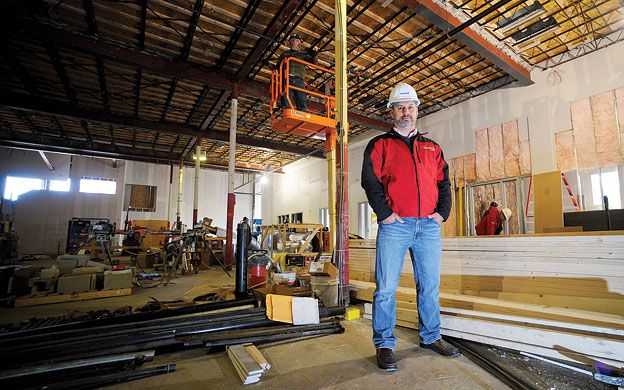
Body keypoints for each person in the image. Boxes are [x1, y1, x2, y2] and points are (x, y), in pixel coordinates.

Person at [361, 82, 459, 372]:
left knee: (429, 285)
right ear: (392, 111)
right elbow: (370, 181)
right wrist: (386, 214)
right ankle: (385, 344)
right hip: (396, 225)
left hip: (428, 226)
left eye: (411, 107)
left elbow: (444, 184)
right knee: (386, 288)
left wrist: (442, 213)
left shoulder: (432, 147)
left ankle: (430, 337)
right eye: (401, 107)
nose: (407, 112)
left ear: (417, 110)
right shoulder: (380, 144)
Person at [276, 33, 317, 111]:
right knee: (286, 94)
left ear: (299, 43)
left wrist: (314, 55)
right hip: (287, 77)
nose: (295, 42)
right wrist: (268, 64)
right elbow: (278, 67)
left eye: (297, 40)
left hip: (299, 78)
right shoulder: (285, 54)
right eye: (293, 40)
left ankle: (302, 111)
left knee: (301, 95)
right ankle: (286, 110)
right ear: (290, 42)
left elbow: (314, 63)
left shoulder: (303, 54)